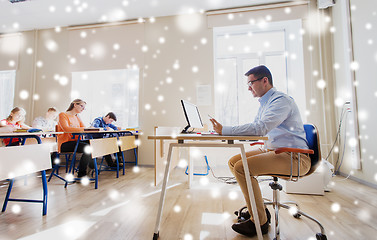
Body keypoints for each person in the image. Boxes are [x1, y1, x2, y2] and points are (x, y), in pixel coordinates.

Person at [210, 65, 310, 238]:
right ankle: (259, 211)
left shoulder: (281, 101)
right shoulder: (265, 103)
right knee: (234, 162)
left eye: (251, 83)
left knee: (242, 167)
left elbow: (260, 128)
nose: (248, 88)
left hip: (295, 157)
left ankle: (260, 222)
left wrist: (225, 129)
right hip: (277, 151)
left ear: (265, 81)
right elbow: (258, 127)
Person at [57, 99, 93, 178]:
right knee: (88, 147)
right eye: (81, 106)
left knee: (93, 144)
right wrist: (76, 128)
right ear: (75, 105)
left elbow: (84, 128)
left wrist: (74, 128)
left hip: (75, 142)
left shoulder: (77, 117)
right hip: (64, 143)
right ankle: (81, 173)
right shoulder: (62, 115)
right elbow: (66, 129)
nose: (83, 109)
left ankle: (91, 166)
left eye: (84, 107)